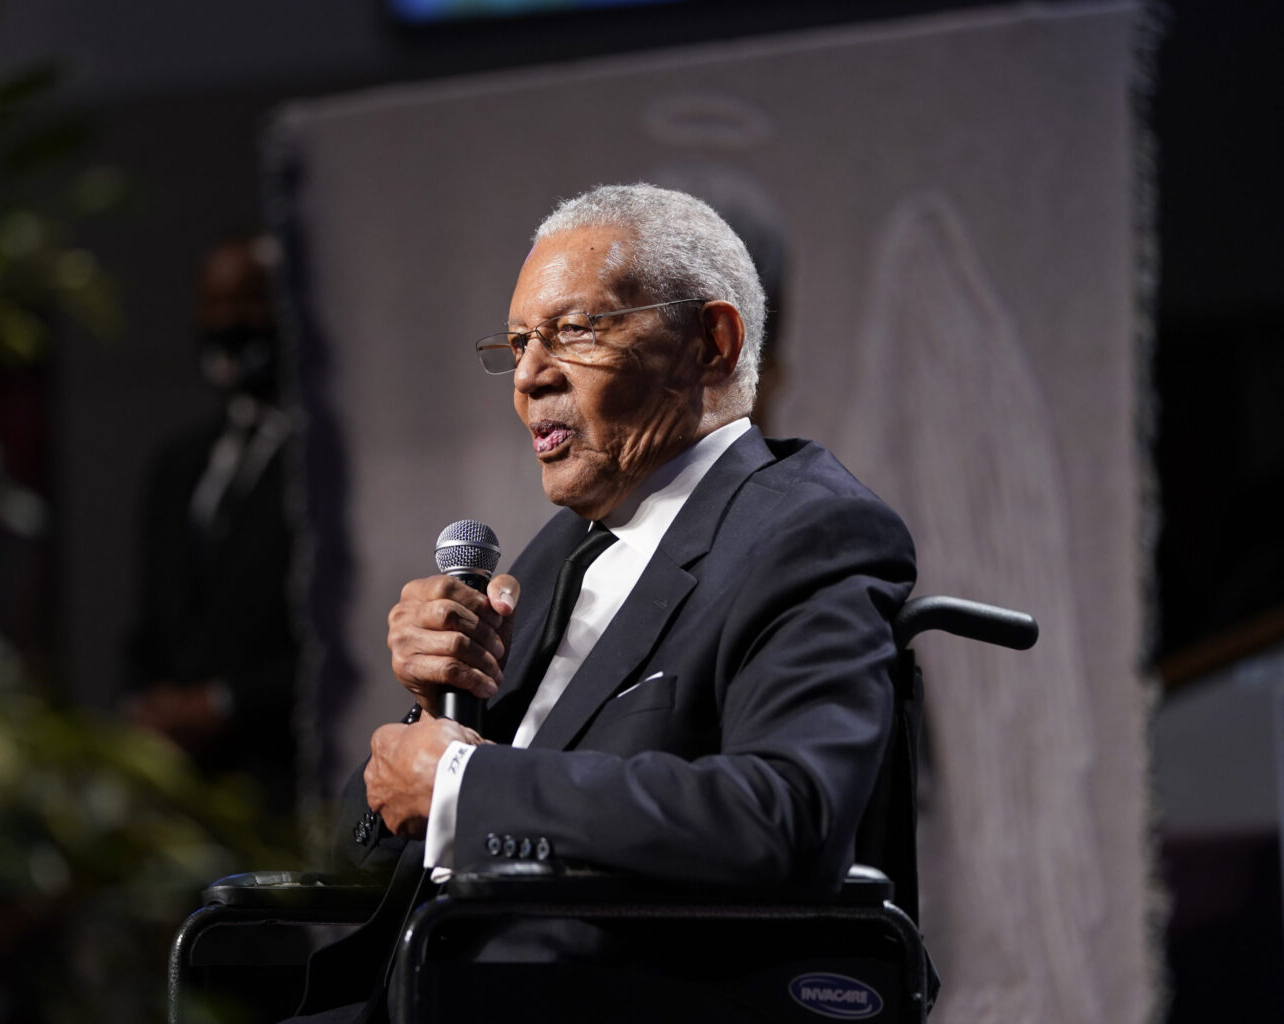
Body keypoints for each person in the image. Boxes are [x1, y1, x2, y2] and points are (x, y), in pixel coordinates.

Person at [298, 183, 914, 1019]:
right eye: (516, 343)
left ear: (711, 343)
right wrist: (426, 719)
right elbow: (359, 865)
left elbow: (783, 817)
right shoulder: (558, 555)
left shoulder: (808, 532)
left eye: (573, 331)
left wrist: (459, 787)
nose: (528, 377)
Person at [122, 235, 301, 822]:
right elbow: (153, 621)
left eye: (248, 302)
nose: (228, 323)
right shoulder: (177, 464)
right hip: (176, 795)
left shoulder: (324, 468)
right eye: (214, 306)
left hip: (282, 786)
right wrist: (150, 712)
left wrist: (222, 705)